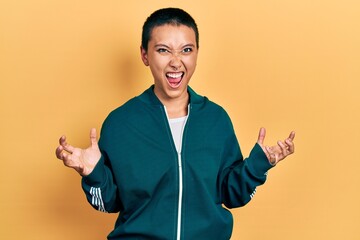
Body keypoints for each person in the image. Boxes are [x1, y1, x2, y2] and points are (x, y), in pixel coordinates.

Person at [55, 7, 295, 240]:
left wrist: (257, 166)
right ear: (145, 55)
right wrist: (92, 173)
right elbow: (108, 203)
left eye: (186, 50)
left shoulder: (216, 120)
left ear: (197, 53)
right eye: (163, 50)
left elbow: (232, 194)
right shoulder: (120, 123)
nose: (176, 62)